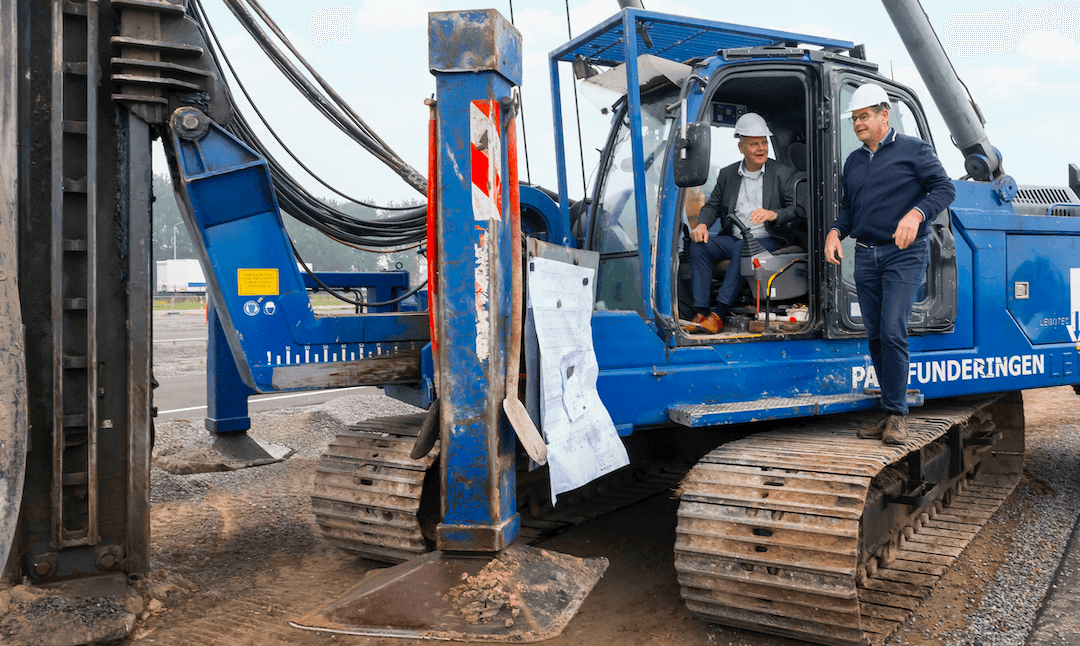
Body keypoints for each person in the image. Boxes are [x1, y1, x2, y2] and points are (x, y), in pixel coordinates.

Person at [824, 83, 955, 444]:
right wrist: (836, 231)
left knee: (893, 328)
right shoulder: (853, 161)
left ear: (884, 114)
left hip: (903, 254)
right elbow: (849, 209)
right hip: (865, 254)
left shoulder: (913, 150)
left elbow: (944, 188)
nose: (858, 124)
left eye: (864, 116)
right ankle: (888, 412)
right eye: (854, 119)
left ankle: (898, 416)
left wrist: (916, 214)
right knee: (877, 336)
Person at [685, 113, 798, 334]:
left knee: (743, 247)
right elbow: (712, 207)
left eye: (764, 142)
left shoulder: (783, 174)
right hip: (735, 236)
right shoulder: (728, 175)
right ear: (741, 148)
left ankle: (719, 314)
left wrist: (772, 214)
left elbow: (795, 209)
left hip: (768, 237)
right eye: (754, 144)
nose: (761, 148)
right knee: (698, 246)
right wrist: (702, 225)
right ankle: (700, 311)